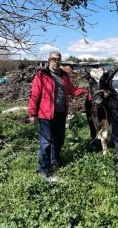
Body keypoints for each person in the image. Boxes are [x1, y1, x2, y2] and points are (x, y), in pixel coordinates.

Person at [28, 51, 87, 179]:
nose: (56, 61)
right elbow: (34, 94)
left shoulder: (64, 76)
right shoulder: (42, 75)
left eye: (58, 59)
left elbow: (73, 91)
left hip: (61, 114)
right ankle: (43, 169)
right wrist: (32, 113)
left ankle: (55, 161)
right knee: (46, 142)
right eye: (53, 59)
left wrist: (86, 89)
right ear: (49, 60)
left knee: (59, 140)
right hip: (45, 114)